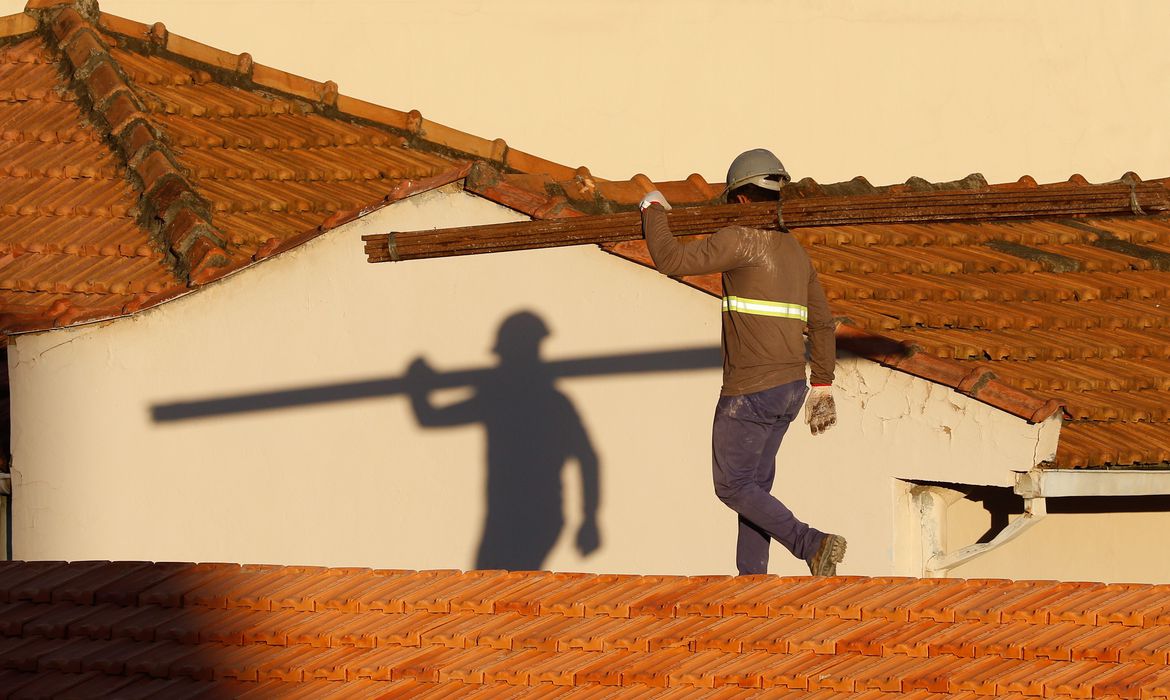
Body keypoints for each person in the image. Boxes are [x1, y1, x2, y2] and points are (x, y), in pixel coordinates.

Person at [638, 148, 845, 576]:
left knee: (732, 485)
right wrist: (822, 385)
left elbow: (670, 259)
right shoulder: (795, 251)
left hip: (749, 391)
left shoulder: (739, 238)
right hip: (791, 390)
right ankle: (753, 580)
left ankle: (811, 543)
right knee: (754, 488)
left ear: (742, 200)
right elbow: (823, 324)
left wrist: (653, 208)